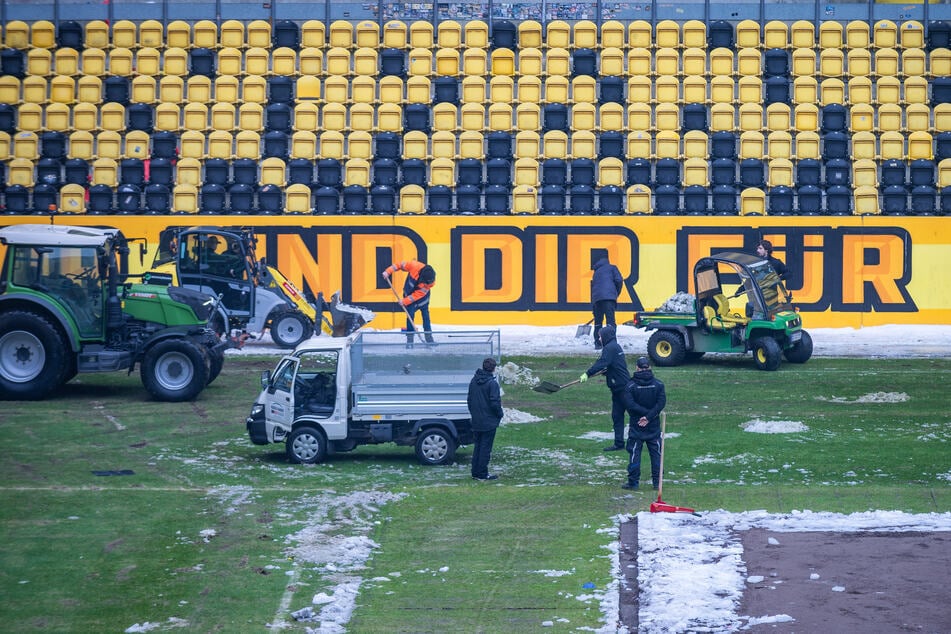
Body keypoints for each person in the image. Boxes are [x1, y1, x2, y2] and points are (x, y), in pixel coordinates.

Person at [579, 324, 630, 451]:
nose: (599, 339)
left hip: (623, 388)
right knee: (617, 416)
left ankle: (648, 439)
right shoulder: (614, 346)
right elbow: (613, 365)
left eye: (600, 337)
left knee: (635, 416)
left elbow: (602, 362)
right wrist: (607, 372)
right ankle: (619, 444)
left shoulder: (610, 348)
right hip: (617, 388)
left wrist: (587, 373)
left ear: (606, 336)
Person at [622, 356, 667, 491]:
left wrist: (644, 416)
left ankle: (633, 482)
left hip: (637, 425)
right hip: (653, 425)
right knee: (657, 454)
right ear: (649, 367)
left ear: (637, 367)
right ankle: (656, 483)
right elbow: (661, 403)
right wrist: (649, 416)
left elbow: (629, 404)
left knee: (635, 454)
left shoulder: (630, 386)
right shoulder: (659, 384)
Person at [382, 260, 436, 344]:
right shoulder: (414, 265)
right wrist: (388, 271)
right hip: (409, 298)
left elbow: (417, 295)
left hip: (423, 300)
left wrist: (404, 301)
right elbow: (399, 265)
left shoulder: (431, 282)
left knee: (426, 317)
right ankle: (410, 341)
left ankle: (429, 339)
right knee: (410, 317)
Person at [467, 357, 503, 481]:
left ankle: (475, 472)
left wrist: (474, 414)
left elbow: (469, 400)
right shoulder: (492, 384)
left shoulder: (473, 381)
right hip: (489, 421)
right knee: (485, 448)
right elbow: (495, 403)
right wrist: (500, 414)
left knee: (478, 447)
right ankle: (482, 473)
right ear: (493, 368)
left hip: (477, 420)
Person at [590, 256, 623, 351]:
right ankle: (611, 343)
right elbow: (619, 280)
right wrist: (616, 292)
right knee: (610, 322)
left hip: (597, 299)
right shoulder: (612, 268)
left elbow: (594, 287)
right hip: (609, 299)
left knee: (598, 323)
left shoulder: (596, 272)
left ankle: (598, 343)